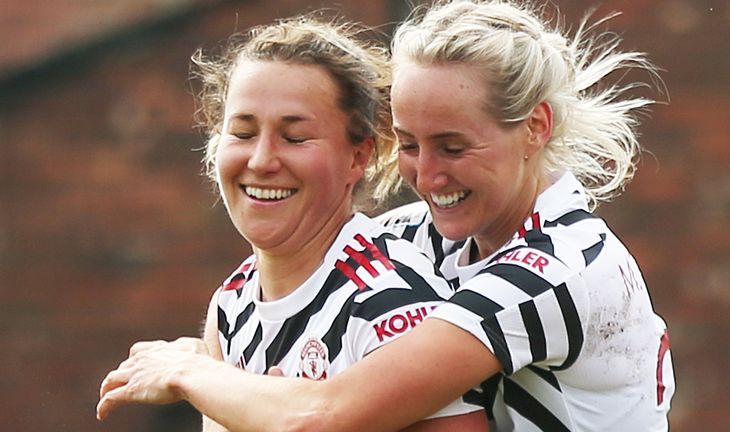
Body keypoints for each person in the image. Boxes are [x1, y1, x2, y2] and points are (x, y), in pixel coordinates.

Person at [97, 1, 675, 431]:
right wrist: (212, 352)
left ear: (535, 127)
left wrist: (192, 376)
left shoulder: (554, 269)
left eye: (452, 147)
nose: (425, 176)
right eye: (409, 143)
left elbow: (328, 412)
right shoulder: (423, 237)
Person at [97, 14, 487, 432]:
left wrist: (191, 374)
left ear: (357, 157)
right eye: (243, 133)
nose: (262, 161)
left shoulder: (391, 301)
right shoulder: (232, 303)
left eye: (295, 138)